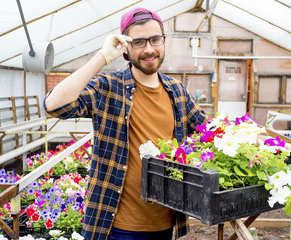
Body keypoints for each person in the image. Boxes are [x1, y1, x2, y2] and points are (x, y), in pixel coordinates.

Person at [44, 7, 207, 240]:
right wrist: (102, 56)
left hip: (165, 222)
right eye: (138, 42)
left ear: (164, 42)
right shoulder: (109, 87)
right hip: (117, 226)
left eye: (155, 39)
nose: (149, 49)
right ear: (125, 49)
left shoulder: (177, 91)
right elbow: (54, 105)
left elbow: (209, 132)